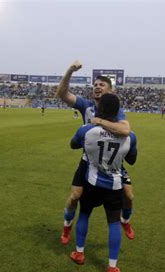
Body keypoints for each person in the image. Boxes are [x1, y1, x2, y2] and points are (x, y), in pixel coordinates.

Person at [56, 60, 135, 245]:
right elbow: (61, 94)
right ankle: (67, 225)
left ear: (110, 90)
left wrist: (99, 122)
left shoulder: (117, 111)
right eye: (95, 85)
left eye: (102, 85)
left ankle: (126, 221)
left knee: (129, 196)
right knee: (75, 196)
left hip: (113, 161)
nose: (97, 87)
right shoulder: (86, 105)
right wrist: (69, 70)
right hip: (88, 160)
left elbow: (125, 130)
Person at [69, 94, 137, 272]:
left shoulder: (86, 130)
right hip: (114, 185)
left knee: (84, 214)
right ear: (118, 112)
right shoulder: (130, 136)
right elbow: (132, 160)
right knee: (114, 223)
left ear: (98, 111)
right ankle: (112, 267)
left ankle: (80, 253)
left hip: (91, 181)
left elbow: (73, 145)